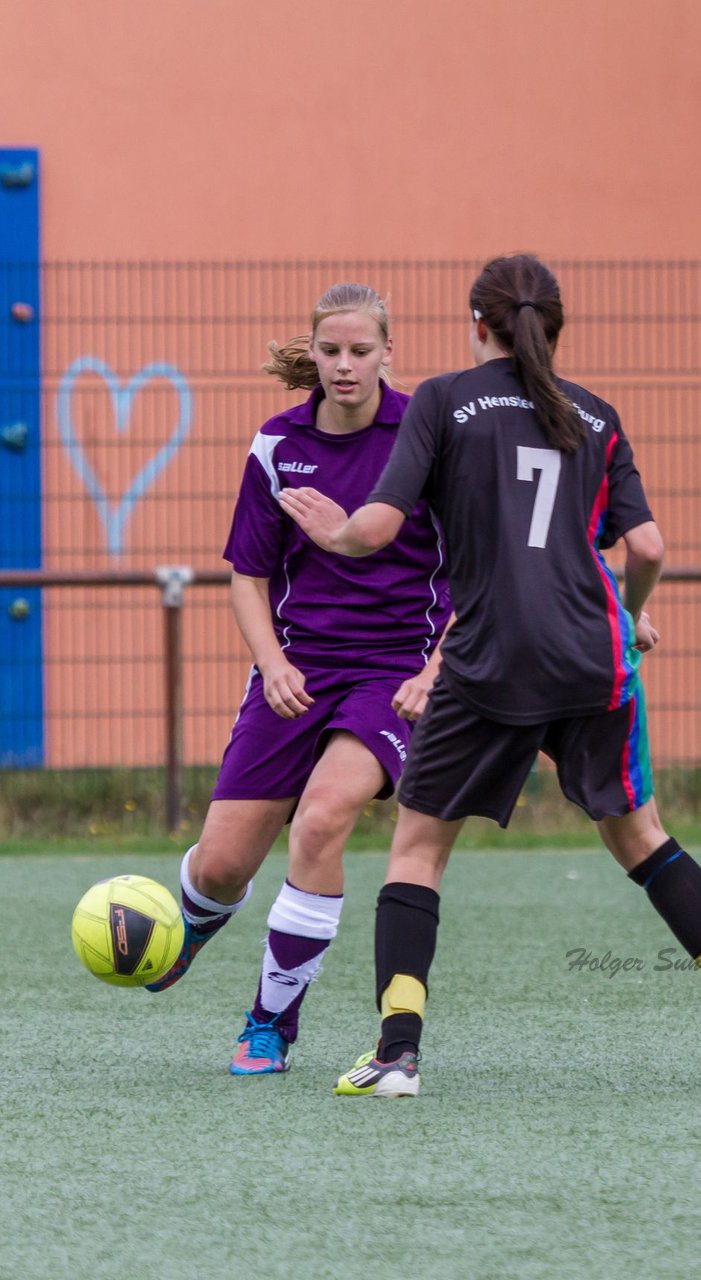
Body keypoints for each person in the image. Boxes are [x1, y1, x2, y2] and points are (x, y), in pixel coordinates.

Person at [280, 253, 701, 1096]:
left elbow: (377, 529)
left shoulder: (445, 401)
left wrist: (335, 532)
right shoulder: (595, 415)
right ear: (554, 330)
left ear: (475, 325)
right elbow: (648, 548)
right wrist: (632, 616)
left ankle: (397, 1055)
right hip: (590, 658)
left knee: (417, 850)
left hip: (489, 658)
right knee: (644, 841)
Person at [147, 282, 452, 1078]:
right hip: (296, 673)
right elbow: (246, 576)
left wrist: (435, 669)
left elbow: (482, 573)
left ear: (389, 351)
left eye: (360, 351)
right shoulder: (276, 445)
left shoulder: (427, 436)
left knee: (320, 821)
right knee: (219, 867)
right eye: (330, 351)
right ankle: (192, 920)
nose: (344, 366)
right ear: (310, 354)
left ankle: (268, 1026)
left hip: (390, 676)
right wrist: (274, 663)